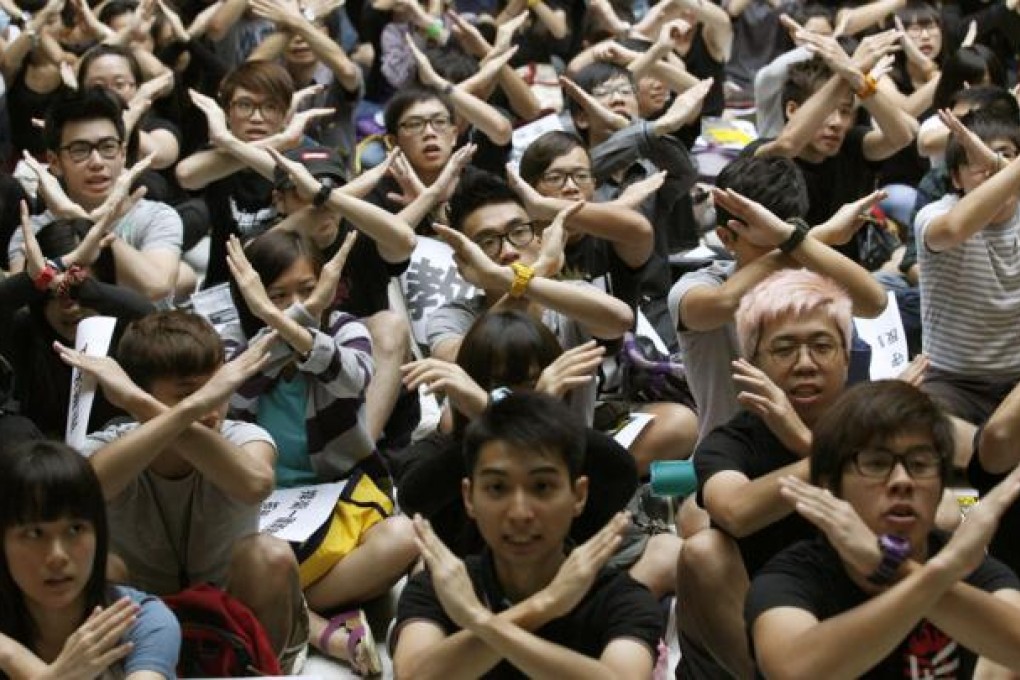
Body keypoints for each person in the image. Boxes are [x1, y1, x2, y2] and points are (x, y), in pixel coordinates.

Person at [58, 311, 310, 674]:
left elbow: (254, 484)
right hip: (142, 616)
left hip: (229, 607)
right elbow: (89, 489)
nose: (210, 407)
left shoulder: (241, 437)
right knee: (101, 568)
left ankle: (258, 670)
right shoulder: (106, 446)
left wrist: (138, 402)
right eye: (189, 394)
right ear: (144, 392)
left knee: (269, 555)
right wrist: (168, 413)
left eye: (219, 390)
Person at [223, 229, 419, 673]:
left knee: (404, 538)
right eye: (277, 294)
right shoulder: (234, 342)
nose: (296, 303)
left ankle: (296, 612)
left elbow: (353, 378)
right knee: (247, 563)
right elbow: (234, 395)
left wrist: (300, 322)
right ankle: (322, 631)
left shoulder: (344, 327)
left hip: (336, 495)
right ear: (253, 296)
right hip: (263, 512)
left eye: (308, 291)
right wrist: (285, 328)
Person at [747, 380, 1020, 677]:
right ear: (829, 485)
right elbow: (793, 672)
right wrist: (938, 572)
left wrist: (887, 565)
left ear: (943, 486)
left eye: (920, 463)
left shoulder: (976, 571)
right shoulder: (791, 577)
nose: (902, 481)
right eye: (876, 464)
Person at [391, 391, 664, 679]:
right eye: (497, 488)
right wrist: (545, 605)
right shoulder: (443, 587)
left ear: (579, 495)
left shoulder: (621, 598)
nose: (520, 513)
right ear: (469, 498)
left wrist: (479, 621)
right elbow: (411, 676)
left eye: (542, 487)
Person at [676, 268, 854, 679]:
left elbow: (942, 510)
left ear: (847, 357)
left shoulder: (875, 421)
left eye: (822, 346)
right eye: (784, 349)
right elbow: (733, 511)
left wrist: (805, 442)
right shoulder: (731, 442)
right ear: (751, 364)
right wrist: (822, 457)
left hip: (851, 617)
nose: (805, 364)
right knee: (703, 552)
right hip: (749, 638)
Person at [0, 439, 180, 679]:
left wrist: (19, 661)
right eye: (34, 533)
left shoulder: (143, 620)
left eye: (75, 529)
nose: (57, 556)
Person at [7, 87, 185, 302]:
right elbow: (19, 302)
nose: (97, 162)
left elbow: (156, 288)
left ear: (123, 154)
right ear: (54, 162)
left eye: (107, 147)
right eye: (80, 150)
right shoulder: (32, 231)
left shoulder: (157, 216)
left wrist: (82, 222)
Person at [915, 115, 1020, 430]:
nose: (991, 168)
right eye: (977, 160)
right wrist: (1008, 171)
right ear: (956, 179)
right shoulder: (934, 215)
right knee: (921, 427)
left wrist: (996, 165)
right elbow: (954, 229)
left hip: (1017, 381)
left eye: (1005, 155)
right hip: (952, 380)